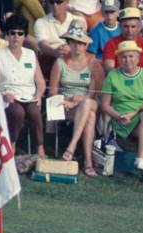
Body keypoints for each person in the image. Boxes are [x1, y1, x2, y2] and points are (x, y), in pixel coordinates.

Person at [101, 40, 143, 190]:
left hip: (140, 118)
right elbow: (105, 105)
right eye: (123, 57)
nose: (127, 60)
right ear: (119, 59)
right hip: (121, 121)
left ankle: (141, 158)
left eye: (131, 56)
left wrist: (133, 114)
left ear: (138, 57)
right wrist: (119, 116)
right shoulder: (113, 76)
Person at [0, 14, 46, 157]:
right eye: (12, 33)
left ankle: (40, 147)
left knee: (35, 112)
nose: (16, 37)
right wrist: (3, 95)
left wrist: (39, 95)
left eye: (20, 34)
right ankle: (11, 144)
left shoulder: (31, 54)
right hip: (8, 96)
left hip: (29, 96)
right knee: (18, 112)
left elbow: (41, 82)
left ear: (24, 36)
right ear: (7, 35)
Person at [49, 19, 103, 176]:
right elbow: (52, 93)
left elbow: (95, 92)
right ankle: (88, 163)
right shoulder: (60, 63)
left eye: (80, 42)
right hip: (65, 104)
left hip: (87, 101)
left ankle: (71, 147)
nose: (77, 46)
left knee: (87, 104)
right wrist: (68, 102)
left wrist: (81, 99)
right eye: (73, 42)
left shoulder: (93, 63)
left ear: (85, 45)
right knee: (90, 117)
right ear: (68, 43)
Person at [102, 7, 143, 101]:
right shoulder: (111, 44)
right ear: (120, 26)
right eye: (126, 26)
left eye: (133, 26)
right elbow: (110, 70)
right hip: (119, 91)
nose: (129, 30)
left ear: (139, 26)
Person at [34, 0, 84, 73]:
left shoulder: (79, 20)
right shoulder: (40, 22)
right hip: (51, 59)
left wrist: (69, 50)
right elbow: (42, 44)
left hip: (73, 57)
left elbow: (83, 44)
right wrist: (54, 52)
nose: (55, 5)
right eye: (51, 2)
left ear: (67, 2)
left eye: (59, 2)